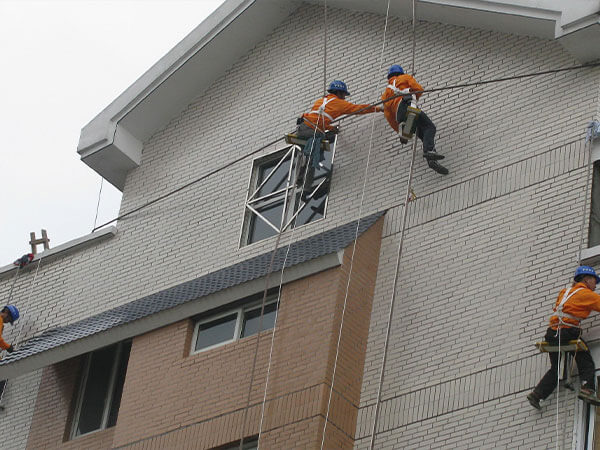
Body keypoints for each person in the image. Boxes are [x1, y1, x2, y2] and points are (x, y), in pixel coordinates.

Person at [527, 266, 600, 410]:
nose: (595, 285)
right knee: (584, 358)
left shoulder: (565, 292)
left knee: (557, 368)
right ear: (586, 279)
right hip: (567, 331)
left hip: (552, 333)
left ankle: (537, 394)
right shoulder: (587, 294)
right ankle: (587, 389)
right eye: (594, 281)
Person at [296, 80, 382, 190]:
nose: (344, 98)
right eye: (344, 95)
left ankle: (299, 175)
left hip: (302, 128)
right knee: (314, 155)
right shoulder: (339, 104)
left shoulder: (321, 101)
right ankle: (307, 186)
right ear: (339, 92)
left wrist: (331, 128)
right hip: (313, 131)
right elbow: (359, 109)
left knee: (304, 151)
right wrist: (378, 108)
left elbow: (318, 120)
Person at [381, 65, 448, 175]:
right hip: (408, 107)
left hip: (399, 115)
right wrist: (413, 97)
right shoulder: (405, 78)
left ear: (390, 77)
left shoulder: (385, 94)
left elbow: (388, 115)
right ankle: (429, 151)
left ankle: (431, 160)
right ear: (400, 73)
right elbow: (419, 89)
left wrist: (398, 130)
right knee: (429, 127)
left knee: (423, 134)